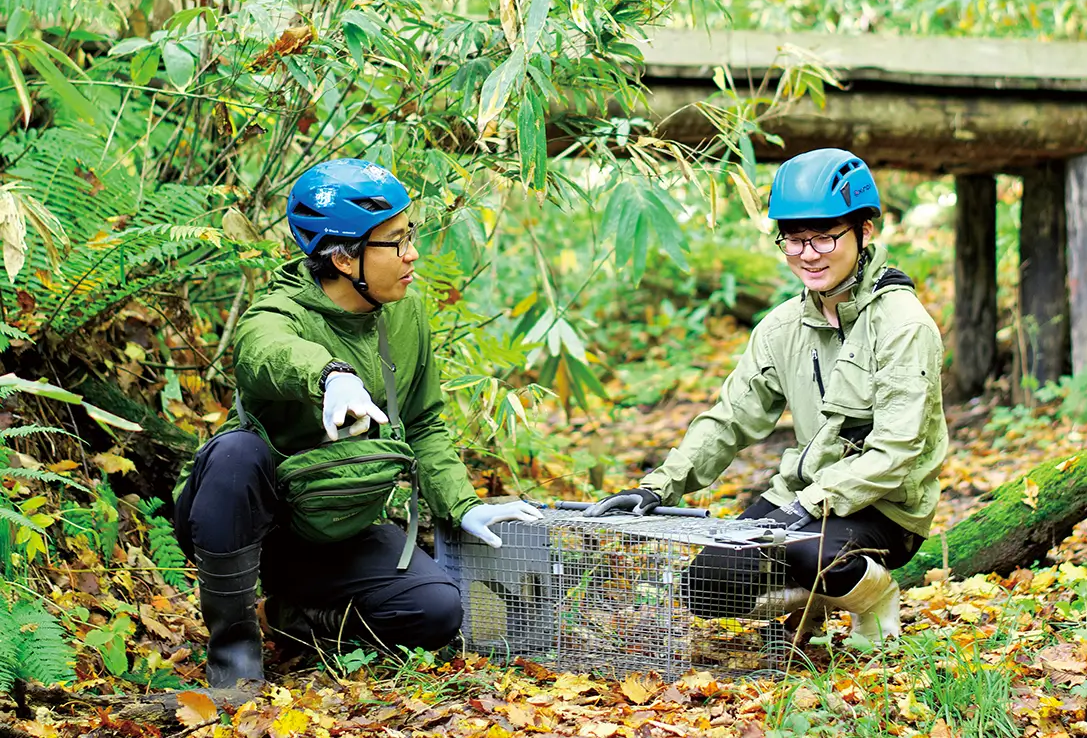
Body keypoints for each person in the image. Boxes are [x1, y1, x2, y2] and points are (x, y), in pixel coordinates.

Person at [173, 158, 541, 687]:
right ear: (345, 258)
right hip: (248, 525)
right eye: (396, 241)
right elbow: (263, 352)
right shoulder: (276, 314)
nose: (412, 253)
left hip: (337, 525)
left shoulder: (406, 314)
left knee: (437, 611)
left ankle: (292, 618)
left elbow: (423, 423)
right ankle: (234, 663)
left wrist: (463, 505)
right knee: (236, 452)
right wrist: (330, 375)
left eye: (410, 234)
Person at [586, 148, 947, 644]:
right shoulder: (782, 326)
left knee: (809, 550)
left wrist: (807, 506)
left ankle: (876, 599)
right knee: (706, 587)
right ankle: (822, 598)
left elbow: (896, 451)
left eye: (824, 236)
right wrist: (658, 488)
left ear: (864, 231)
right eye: (794, 239)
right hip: (803, 498)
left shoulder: (903, 325)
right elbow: (730, 418)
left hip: (885, 507)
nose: (808, 254)